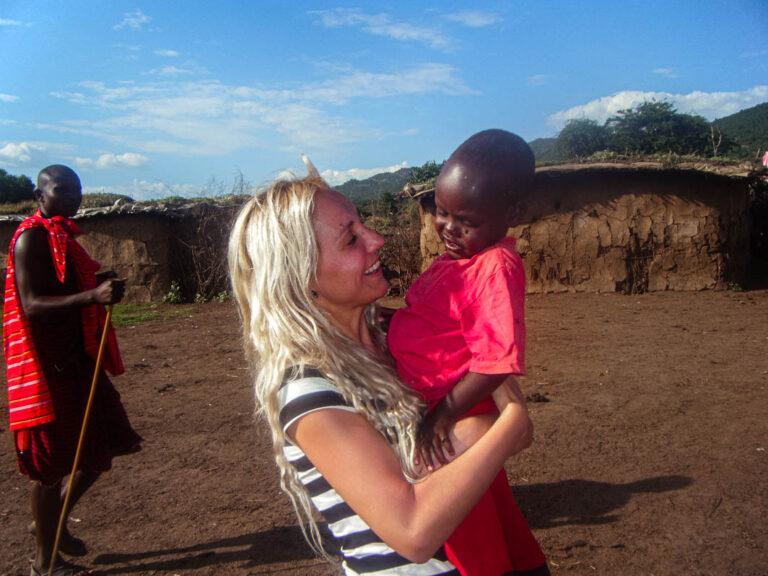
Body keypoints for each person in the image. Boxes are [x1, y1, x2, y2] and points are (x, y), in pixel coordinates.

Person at [228, 159, 539, 576]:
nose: (377, 240)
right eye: (350, 239)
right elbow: (413, 531)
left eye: (363, 224)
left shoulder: (396, 337)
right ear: (302, 276)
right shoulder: (308, 388)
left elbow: (494, 395)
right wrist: (508, 420)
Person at [387, 129, 547, 574]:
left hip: (455, 412)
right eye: (441, 212)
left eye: (467, 221)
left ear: (512, 213)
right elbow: (433, 325)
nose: (448, 229)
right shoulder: (458, 260)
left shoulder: (493, 268)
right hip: (441, 406)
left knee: (464, 527)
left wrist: (443, 415)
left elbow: (498, 361)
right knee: (488, 516)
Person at [3, 165, 142, 576]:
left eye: (77, 190)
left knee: (104, 444)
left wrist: (99, 287)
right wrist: (91, 296)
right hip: (46, 367)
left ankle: (51, 522)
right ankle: (45, 563)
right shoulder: (31, 237)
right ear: (39, 193)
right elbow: (31, 304)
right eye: (61, 190)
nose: (72, 197)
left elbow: (66, 289)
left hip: (77, 358)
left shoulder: (64, 237)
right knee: (49, 467)